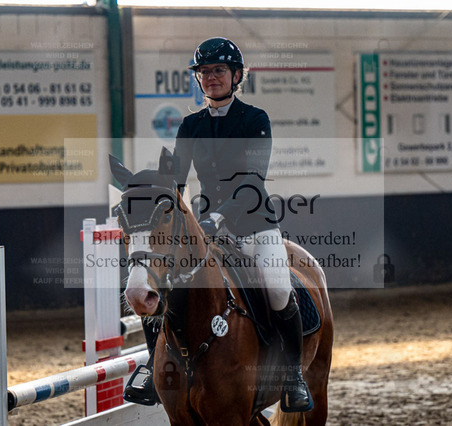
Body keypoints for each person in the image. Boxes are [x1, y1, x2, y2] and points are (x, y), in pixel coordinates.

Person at [123, 37, 313, 413]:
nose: (211, 77)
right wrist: (163, 211)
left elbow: (253, 181)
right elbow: (176, 183)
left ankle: (292, 376)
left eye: (219, 70)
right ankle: (151, 365)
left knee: (278, 288)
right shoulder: (190, 125)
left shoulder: (255, 120)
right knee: (159, 283)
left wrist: (218, 217)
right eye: (205, 72)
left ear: (236, 75)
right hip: (205, 232)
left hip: (255, 226)